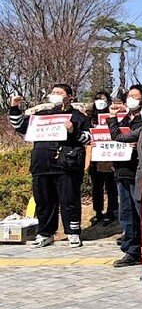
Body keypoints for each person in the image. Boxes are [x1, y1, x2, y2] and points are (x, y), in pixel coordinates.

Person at [8, 86, 92, 249]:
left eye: (59, 93)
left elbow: (87, 137)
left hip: (67, 165)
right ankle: (45, 233)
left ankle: (73, 232)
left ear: (70, 97)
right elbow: (20, 126)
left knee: (69, 201)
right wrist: (14, 108)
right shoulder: (41, 115)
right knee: (43, 201)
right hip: (41, 164)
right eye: (53, 93)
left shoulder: (77, 117)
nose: (55, 96)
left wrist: (72, 130)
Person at [107, 85, 142, 265]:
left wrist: (137, 145)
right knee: (126, 214)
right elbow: (111, 138)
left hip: (139, 172)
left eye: (135, 96)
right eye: (128, 96)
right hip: (122, 172)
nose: (130, 99)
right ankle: (131, 250)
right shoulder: (123, 119)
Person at [86, 90, 117, 225]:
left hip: (110, 156)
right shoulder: (89, 118)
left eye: (103, 99)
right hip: (94, 157)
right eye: (97, 98)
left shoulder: (114, 116)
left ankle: (111, 211)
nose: (100, 101)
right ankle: (98, 211)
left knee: (111, 186)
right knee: (96, 186)